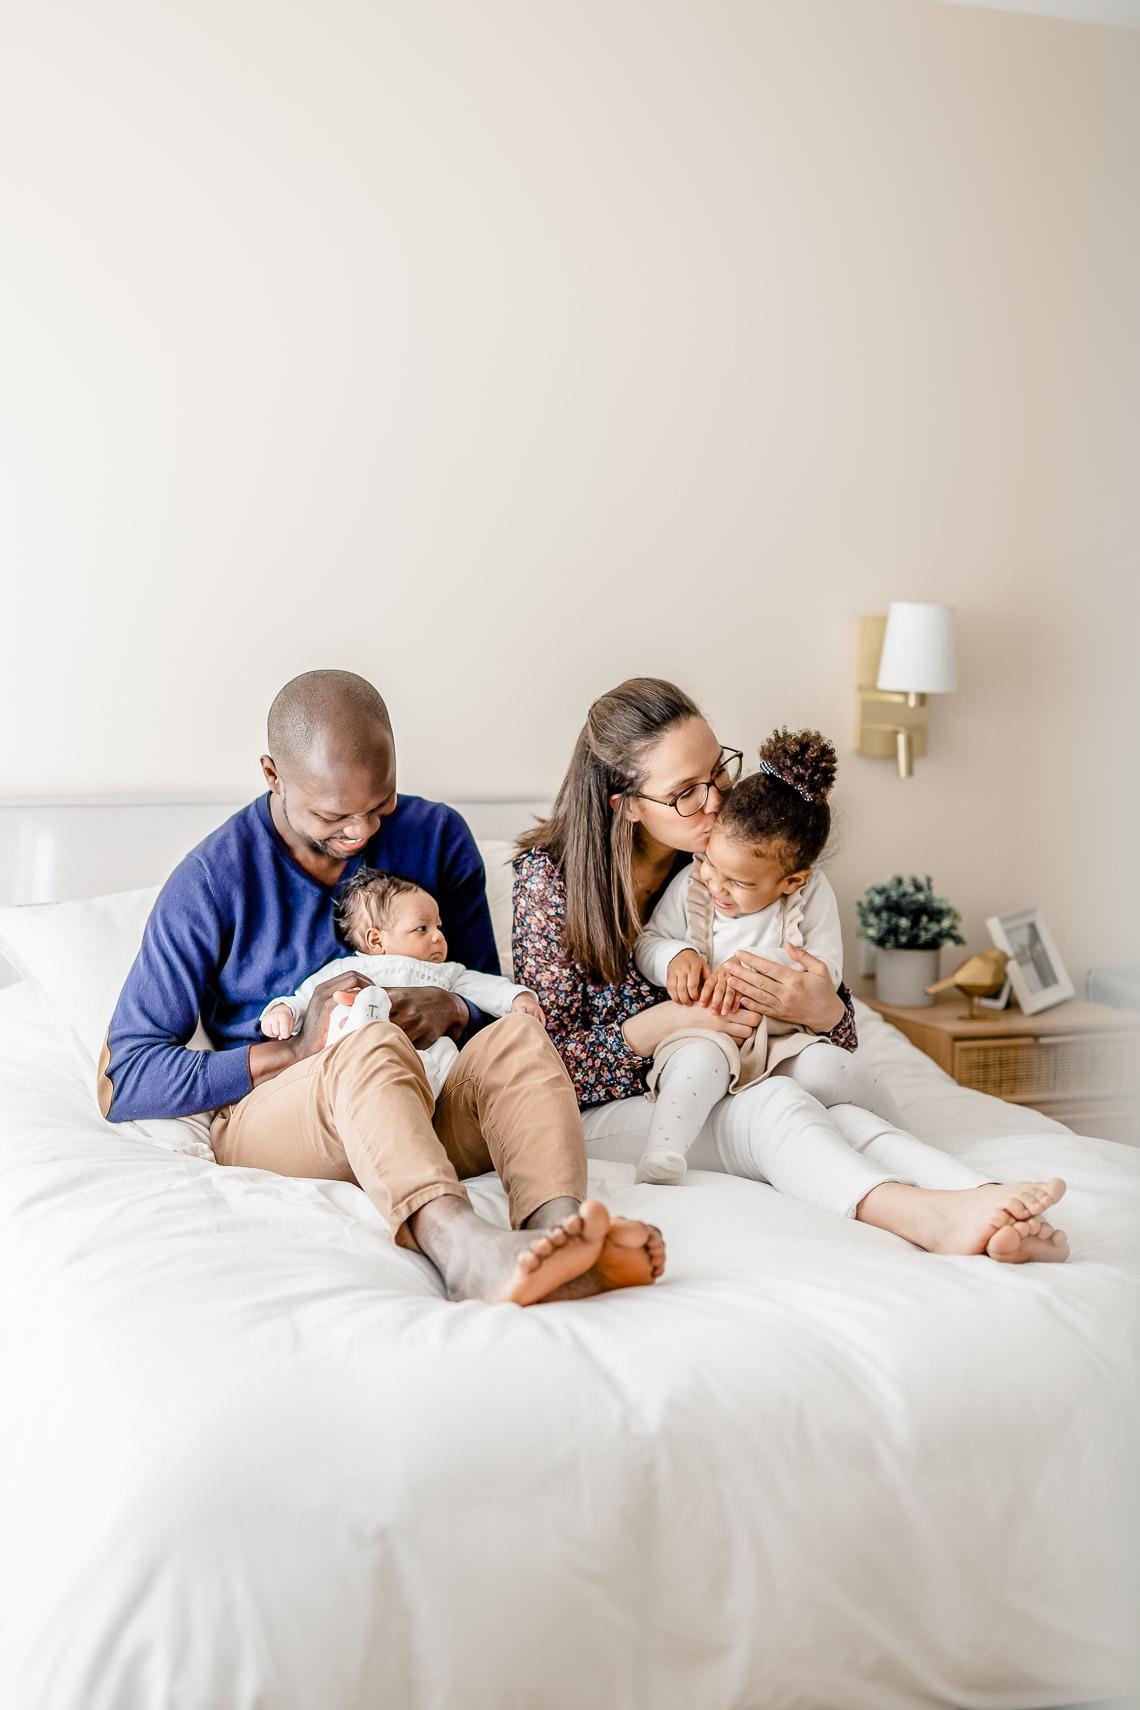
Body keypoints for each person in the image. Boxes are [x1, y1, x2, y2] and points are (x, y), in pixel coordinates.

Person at [99, 669, 665, 1305]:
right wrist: (292, 1049)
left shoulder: (438, 837)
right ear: (272, 775)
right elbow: (128, 1078)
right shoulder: (211, 880)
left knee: (520, 1042)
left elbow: (484, 1000)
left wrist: (451, 1008)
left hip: (425, 1103)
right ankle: (463, 1249)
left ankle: (560, 1237)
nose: (363, 833)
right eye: (332, 814)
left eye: (381, 804)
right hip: (288, 1117)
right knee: (368, 1047)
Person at [513, 677, 1069, 1263]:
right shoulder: (550, 883)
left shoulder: (745, 856)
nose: (718, 802)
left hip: (748, 1062)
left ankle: (975, 1192)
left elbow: (830, 1024)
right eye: (686, 794)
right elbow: (541, 1069)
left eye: (719, 772)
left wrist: (824, 1009)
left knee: (835, 1104)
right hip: (616, 1108)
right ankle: (928, 1220)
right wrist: (663, 1025)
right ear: (624, 805)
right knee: (774, 1106)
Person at [630, 727, 907, 1184]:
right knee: (695, 1066)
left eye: (738, 883)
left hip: (782, 1036)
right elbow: (649, 942)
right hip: (709, 1027)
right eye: (711, 866)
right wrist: (676, 957)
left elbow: (825, 972)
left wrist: (750, 969)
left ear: (790, 881)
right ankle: (664, 1153)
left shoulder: (809, 896)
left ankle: (900, 1135)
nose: (716, 886)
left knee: (832, 1067)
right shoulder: (693, 885)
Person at [260, 865, 545, 1099]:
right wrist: (284, 1010)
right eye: (421, 928)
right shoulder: (348, 969)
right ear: (376, 940)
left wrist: (518, 998)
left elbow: (487, 987)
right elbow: (307, 997)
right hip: (359, 1061)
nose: (438, 937)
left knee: (452, 1058)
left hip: (431, 1062)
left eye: (438, 927)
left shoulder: (447, 973)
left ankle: (435, 1099)